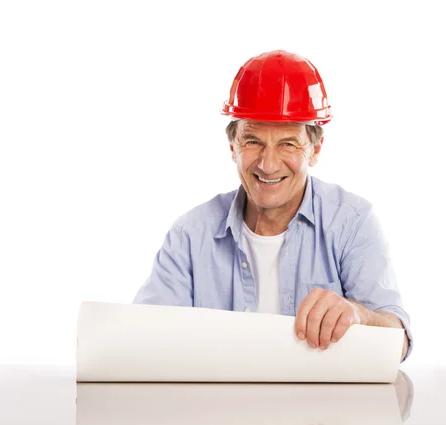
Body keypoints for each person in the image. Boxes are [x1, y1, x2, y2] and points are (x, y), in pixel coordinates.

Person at [133, 49, 412, 361]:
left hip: (323, 409)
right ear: (232, 146)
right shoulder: (189, 235)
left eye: (288, 144)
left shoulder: (353, 222)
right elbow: (144, 341)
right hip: (214, 408)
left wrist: (358, 316)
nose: (267, 164)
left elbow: (397, 342)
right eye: (253, 141)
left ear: (315, 148)